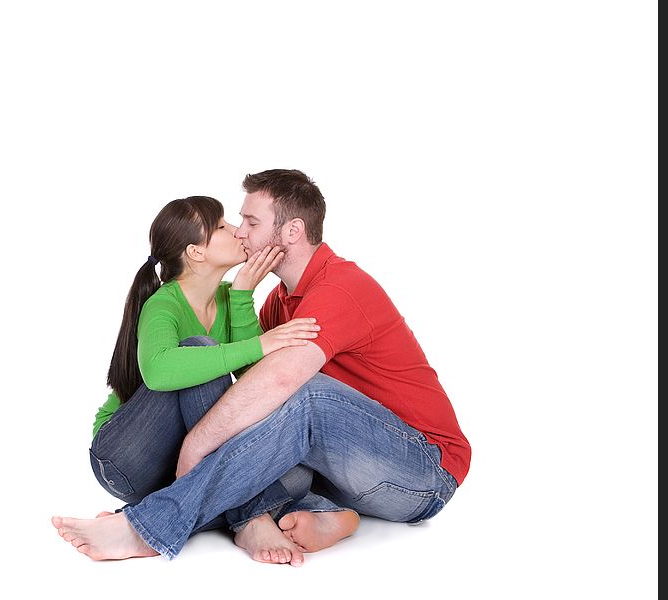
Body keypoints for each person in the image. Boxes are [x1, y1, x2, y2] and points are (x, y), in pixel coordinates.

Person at [52, 170, 471, 566]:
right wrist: (246, 305)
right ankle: (314, 513)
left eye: (251, 222)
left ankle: (148, 526)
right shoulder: (277, 302)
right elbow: (255, 394)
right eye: (234, 223)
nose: (239, 232)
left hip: (422, 471)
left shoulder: (341, 287)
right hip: (346, 471)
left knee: (306, 396)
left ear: (291, 232)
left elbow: (282, 381)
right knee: (263, 413)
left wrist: (197, 444)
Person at [88, 195, 338, 564]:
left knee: (297, 475)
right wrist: (260, 343)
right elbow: (159, 372)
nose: (238, 231)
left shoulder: (228, 298)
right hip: (125, 456)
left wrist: (240, 297)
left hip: (180, 465)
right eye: (221, 226)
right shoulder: (164, 303)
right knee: (198, 349)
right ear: (195, 252)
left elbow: (255, 388)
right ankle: (251, 515)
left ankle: (155, 515)